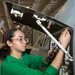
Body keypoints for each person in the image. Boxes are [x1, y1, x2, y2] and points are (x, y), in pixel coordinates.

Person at [0, 28, 71, 75]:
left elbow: (38, 61)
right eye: (20, 39)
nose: (25, 42)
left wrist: (47, 57)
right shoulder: (11, 66)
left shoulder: (23, 56)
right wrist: (63, 46)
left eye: (25, 39)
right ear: (9, 43)